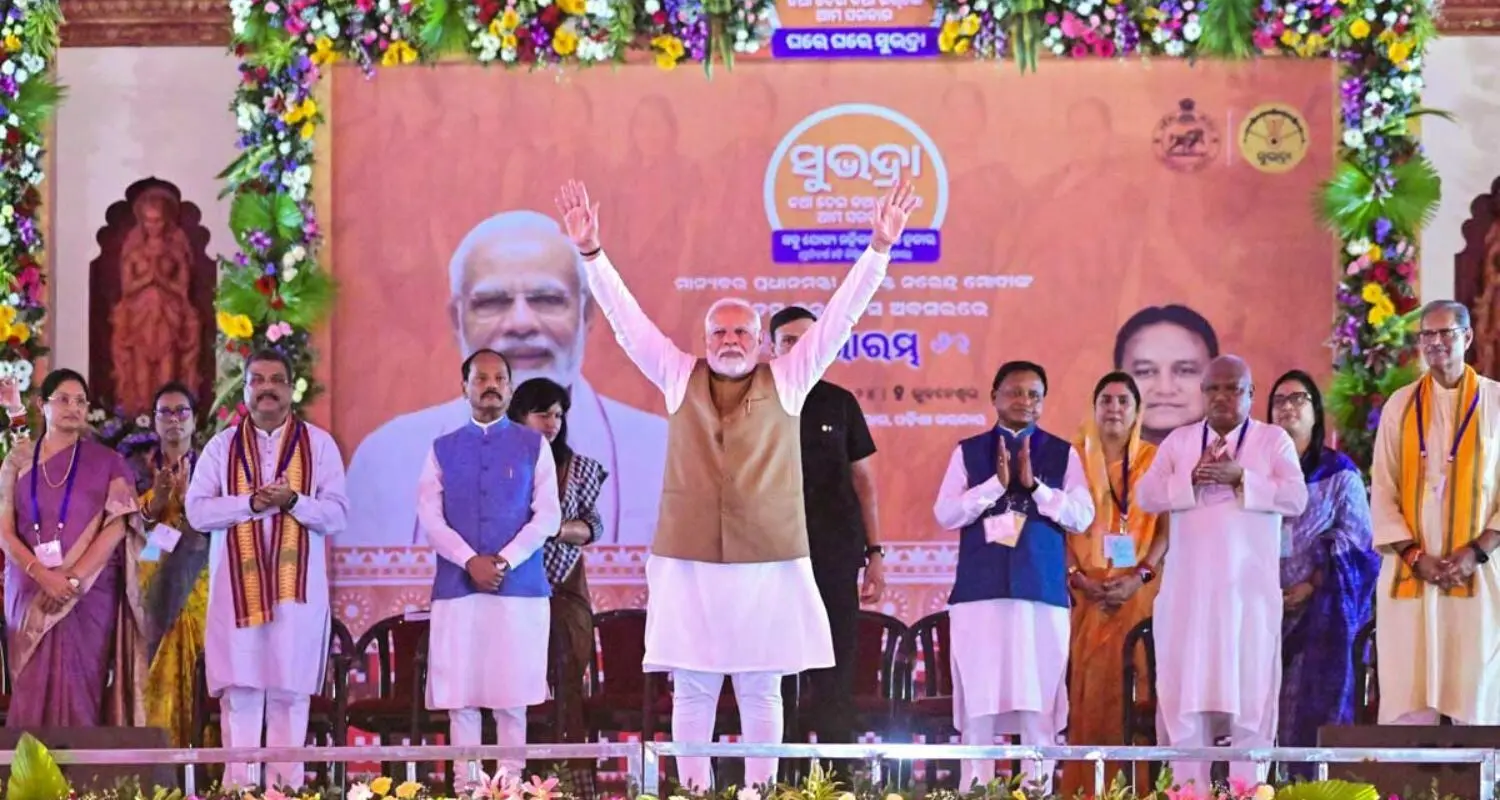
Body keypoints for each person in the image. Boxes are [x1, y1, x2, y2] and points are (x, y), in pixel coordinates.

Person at [553, 178, 915, 789]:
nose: (729, 341)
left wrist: (879, 248)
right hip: (688, 559)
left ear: (761, 341)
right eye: (719, 332)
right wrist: (591, 253)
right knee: (692, 687)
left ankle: (760, 791)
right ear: (704, 341)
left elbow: (841, 316)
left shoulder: (790, 379)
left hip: (768, 561)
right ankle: (693, 792)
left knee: (761, 685)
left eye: (742, 332)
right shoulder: (677, 375)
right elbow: (625, 321)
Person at [347, 210, 667, 549]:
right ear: (457, 320)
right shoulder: (387, 456)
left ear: (587, 314)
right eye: (492, 302)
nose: (521, 323)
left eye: (547, 299)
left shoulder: (658, 451)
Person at [1137, 355, 1307, 789]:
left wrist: (1241, 477)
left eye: (1232, 388)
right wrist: (1189, 480)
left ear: (1251, 394)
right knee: (1186, 706)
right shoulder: (1180, 441)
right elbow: (1147, 495)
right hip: (1189, 600)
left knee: (1249, 706)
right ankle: (1187, 794)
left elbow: (1296, 498)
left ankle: (1248, 793)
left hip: (1247, 600)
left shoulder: (1272, 441)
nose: (1221, 397)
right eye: (1213, 388)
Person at [185, 350, 349, 788]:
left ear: (290, 388)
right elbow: (197, 512)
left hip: (296, 598)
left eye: (276, 379)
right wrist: (251, 504)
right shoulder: (222, 448)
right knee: (240, 696)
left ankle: (285, 792)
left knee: (289, 697)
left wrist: (293, 501)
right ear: (245, 390)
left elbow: (337, 515)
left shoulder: (319, 445)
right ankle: (238, 791)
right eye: (257, 380)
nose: (267, 388)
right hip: (236, 597)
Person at [933, 360, 1095, 792]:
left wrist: (1035, 487)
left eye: (1034, 395)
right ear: (994, 397)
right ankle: (976, 792)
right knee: (980, 707)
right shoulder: (968, 451)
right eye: (1015, 392)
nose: (1025, 401)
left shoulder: (1062, 453)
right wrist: (994, 486)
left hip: (1040, 596)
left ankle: (1037, 791)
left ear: (1042, 402)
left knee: (1038, 705)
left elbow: (1082, 516)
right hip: (980, 597)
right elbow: (946, 513)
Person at [419, 350, 560, 783]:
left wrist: (502, 561)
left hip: (519, 589)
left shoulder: (534, 446)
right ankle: (467, 786)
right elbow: (430, 519)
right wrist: (469, 561)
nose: (491, 386)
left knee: (512, 697)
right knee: (461, 697)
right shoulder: (442, 449)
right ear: (464, 388)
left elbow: (547, 517)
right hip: (458, 589)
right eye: (480, 378)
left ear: (510, 389)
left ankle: (510, 786)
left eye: (499, 378)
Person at [1371, 300, 1500, 726]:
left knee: (1476, 698)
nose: (1436, 342)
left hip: (1479, 574)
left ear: (1467, 337)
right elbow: (1383, 488)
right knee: (1410, 701)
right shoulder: (1401, 405)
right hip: (1412, 575)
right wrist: (1414, 556)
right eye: (1428, 334)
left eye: (1447, 333)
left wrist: (1475, 553)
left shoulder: (1495, 402)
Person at [0, 368, 147, 728]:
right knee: (30, 691)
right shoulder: (19, 461)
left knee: (83, 689)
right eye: (63, 399)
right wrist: (43, 575)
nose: (73, 407)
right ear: (42, 405)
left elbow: (119, 526)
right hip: (30, 590)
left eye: (80, 401)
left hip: (87, 594)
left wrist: (73, 580)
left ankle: (83, 768)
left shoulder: (109, 463)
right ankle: (27, 765)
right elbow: (4, 531)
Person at [769, 306, 887, 746]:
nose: (799, 349)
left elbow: (864, 482)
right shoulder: (756, 399)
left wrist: (875, 553)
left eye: (808, 340)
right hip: (770, 558)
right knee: (775, 675)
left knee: (835, 669)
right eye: (789, 341)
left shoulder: (840, 402)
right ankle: (774, 776)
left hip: (834, 555)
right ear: (771, 348)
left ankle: (836, 777)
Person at [1060, 372, 1168, 795]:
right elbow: (1056, 530)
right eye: (1106, 399)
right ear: (1094, 407)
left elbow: (1166, 531)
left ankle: (1139, 791)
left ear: (1138, 411)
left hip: (1138, 597)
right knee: (1088, 700)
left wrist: (1139, 577)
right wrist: (1078, 578)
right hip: (1085, 598)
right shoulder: (1071, 460)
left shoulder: (1155, 461)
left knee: (1138, 698)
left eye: (1124, 401)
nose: (1114, 408)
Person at [1267, 370, 1378, 766]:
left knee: (1309, 709)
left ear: (1316, 413)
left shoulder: (1339, 473)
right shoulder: (1256, 473)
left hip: (1320, 617)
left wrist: (1314, 583)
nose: (1288, 407)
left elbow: (1358, 543)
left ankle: (1313, 786)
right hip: (1261, 614)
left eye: (1298, 398)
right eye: (1279, 400)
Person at [507, 375, 608, 793]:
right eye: (542, 414)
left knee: (565, 691)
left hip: (564, 594)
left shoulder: (578, 467)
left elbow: (592, 526)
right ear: (518, 415)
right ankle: (510, 784)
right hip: (510, 592)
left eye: (558, 415)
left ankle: (569, 787)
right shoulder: (501, 464)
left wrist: (552, 529)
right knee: (511, 691)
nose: (552, 424)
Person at [136, 381, 212, 747]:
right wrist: (157, 503)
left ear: (194, 420)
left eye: (182, 411)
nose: (174, 420)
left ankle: (204, 769)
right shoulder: (136, 471)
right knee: (155, 671)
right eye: (165, 412)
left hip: (199, 588)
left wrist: (187, 500)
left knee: (200, 673)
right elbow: (136, 536)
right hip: (153, 583)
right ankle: (158, 767)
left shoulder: (212, 470)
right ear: (154, 421)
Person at [1113, 305, 1220, 444]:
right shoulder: (1088, 456)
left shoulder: (1245, 454)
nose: (1165, 389)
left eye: (1185, 371)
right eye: (1144, 372)